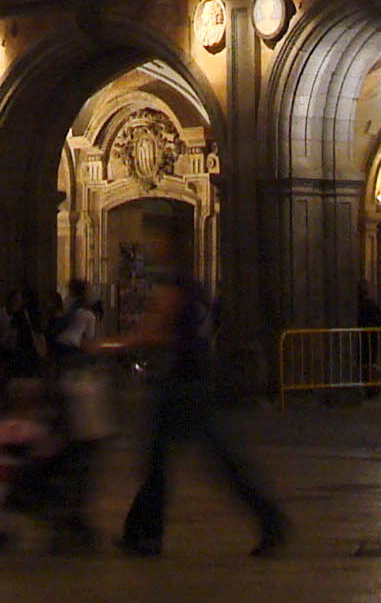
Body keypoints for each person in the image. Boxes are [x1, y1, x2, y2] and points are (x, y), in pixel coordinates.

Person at [115, 219, 288, 558]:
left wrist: (112, 345)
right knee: (172, 462)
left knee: (200, 461)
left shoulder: (177, 286)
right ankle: (143, 533)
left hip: (180, 388)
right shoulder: (192, 286)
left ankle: (270, 520)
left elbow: (158, 331)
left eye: (159, 240)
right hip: (188, 384)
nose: (153, 246)